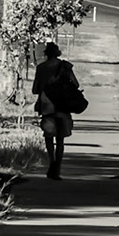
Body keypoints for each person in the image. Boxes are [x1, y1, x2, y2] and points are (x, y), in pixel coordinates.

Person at [31, 41, 77, 180]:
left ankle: (51, 161)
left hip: (47, 107)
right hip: (62, 106)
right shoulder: (65, 66)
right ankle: (57, 167)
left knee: (49, 137)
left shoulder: (41, 68)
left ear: (46, 54)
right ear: (58, 53)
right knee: (60, 139)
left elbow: (35, 89)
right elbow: (76, 84)